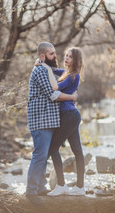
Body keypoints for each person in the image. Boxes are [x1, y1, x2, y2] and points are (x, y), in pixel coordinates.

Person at [26, 42, 78, 205]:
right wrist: (71, 97)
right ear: (42, 56)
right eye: (51, 54)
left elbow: (63, 79)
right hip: (41, 119)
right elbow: (53, 94)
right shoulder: (41, 70)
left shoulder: (46, 70)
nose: (55, 56)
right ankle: (31, 191)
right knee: (40, 154)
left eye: (55, 53)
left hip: (48, 119)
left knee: (44, 154)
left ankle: (40, 187)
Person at [46, 47, 85, 196]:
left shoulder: (73, 76)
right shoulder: (66, 73)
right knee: (77, 151)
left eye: (70, 57)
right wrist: (44, 64)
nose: (66, 58)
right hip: (71, 116)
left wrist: (47, 70)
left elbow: (55, 88)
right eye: (66, 55)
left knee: (52, 147)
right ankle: (79, 187)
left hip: (69, 115)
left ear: (76, 60)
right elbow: (55, 69)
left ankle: (62, 184)